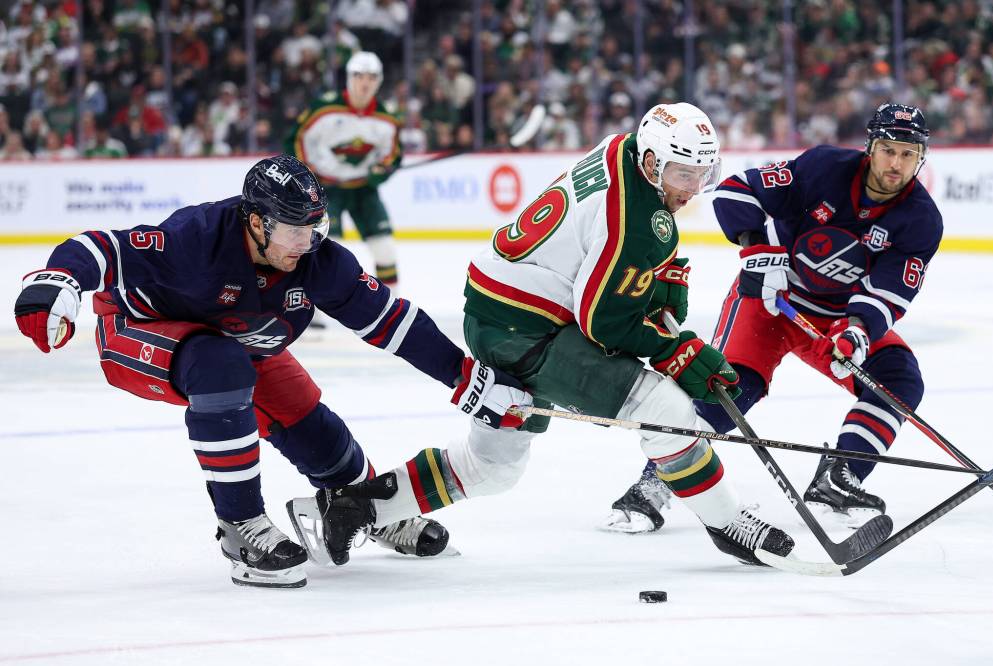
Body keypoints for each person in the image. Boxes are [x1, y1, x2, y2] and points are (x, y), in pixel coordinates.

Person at [13, 155, 530, 589]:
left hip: (230, 344)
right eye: (294, 229)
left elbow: (392, 322)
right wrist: (56, 280)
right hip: (135, 330)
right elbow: (104, 246)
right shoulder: (196, 240)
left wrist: (464, 376)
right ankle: (240, 524)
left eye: (316, 227)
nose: (307, 242)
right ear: (256, 222)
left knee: (310, 420)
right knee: (222, 368)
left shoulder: (318, 261)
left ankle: (357, 506)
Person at [321, 103, 796, 568]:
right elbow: (604, 322)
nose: (693, 188)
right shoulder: (636, 222)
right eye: (682, 174)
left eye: (702, 174)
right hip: (530, 329)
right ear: (651, 162)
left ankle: (359, 509)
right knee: (664, 407)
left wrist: (653, 274)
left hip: (496, 312)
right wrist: (674, 350)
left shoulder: (620, 149)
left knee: (494, 465)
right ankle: (730, 523)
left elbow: (597, 250)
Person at [608, 102, 940, 530]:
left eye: (907, 154)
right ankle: (650, 487)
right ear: (870, 147)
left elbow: (890, 290)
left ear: (921, 159)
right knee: (729, 393)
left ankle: (841, 477)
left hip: (831, 319)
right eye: (888, 150)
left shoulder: (921, 220)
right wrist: (759, 251)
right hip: (767, 299)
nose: (896, 163)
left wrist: (857, 331)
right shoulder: (824, 168)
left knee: (899, 379)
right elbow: (733, 191)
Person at [285, 51, 403, 293]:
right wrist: (306, 175)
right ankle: (311, 307)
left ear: (379, 81)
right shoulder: (324, 108)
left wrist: (381, 170)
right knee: (324, 248)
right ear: (349, 78)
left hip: (363, 190)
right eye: (359, 75)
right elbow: (295, 138)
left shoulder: (386, 118)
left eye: (372, 77)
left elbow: (392, 154)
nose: (365, 82)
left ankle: (392, 305)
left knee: (385, 247)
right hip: (326, 189)